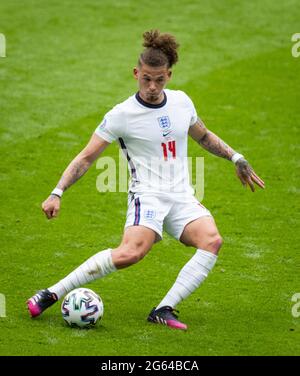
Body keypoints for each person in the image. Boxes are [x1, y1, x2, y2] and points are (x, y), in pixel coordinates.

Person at [27, 30, 265, 330]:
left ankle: (164, 309)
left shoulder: (182, 102)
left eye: (159, 80)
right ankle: (51, 293)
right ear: (136, 73)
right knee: (130, 253)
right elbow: (86, 157)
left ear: (169, 75)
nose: (152, 87)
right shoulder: (121, 115)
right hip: (147, 196)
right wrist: (57, 192)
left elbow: (202, 136)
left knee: (212, 240)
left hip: (181, 196)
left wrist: (236, 158)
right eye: (146, 79)